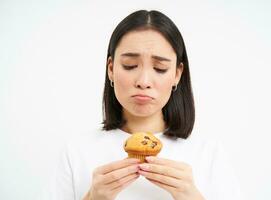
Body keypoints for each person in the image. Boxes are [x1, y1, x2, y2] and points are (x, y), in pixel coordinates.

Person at [41, 10, 242, 200]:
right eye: (130, 66)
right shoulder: (76, 152)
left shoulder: (209, 154)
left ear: (177, 74)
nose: (144, 81)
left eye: (160, 68)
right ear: (110, 69)